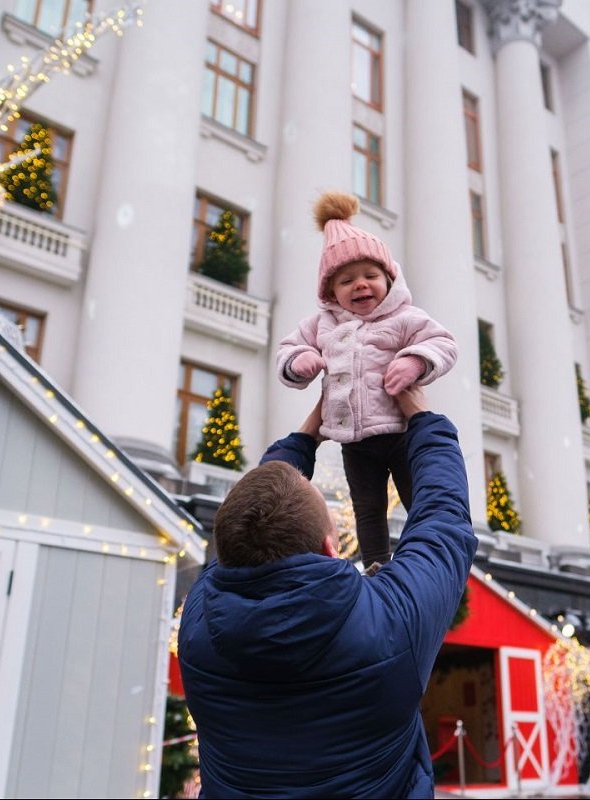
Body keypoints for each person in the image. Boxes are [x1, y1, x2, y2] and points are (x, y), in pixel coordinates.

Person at [178, 386, 477, 799]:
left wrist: (304, 438)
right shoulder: (390, 623)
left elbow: (243, 530)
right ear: (330, 549)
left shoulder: (198, 624)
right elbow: (442, 522)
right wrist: (425, 420)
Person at [276, 191, 458, 568]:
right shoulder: (322, 324)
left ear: (389, 279)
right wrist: (300, 361)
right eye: (347, 280)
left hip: (400, 431)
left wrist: (415, 361)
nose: (360, 285)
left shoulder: (405, 317)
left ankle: (422, 559)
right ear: (330, 292)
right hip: (354, 440)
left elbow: (443, 343)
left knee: (416, 496)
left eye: (370, 276)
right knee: (367, 506)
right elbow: (288, 348)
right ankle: (376, 563)